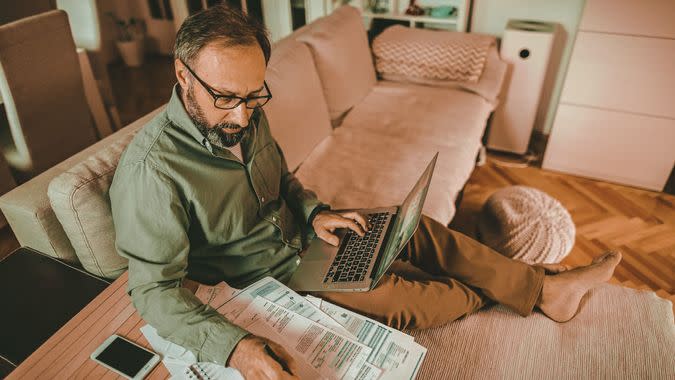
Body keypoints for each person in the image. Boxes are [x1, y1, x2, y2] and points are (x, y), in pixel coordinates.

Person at [109, 5, 622, 380]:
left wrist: (315, 214)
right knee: (413, 302)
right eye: (226, 98)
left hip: (306, 242)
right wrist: (235, 347)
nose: (242, 116)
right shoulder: (152, 172)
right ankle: (517, 289)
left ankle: (543, 292)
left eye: (254, 96)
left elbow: (283, 183)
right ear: (183, 75)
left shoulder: (248, 117)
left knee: (415, 228)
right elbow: (152, 290)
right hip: (277, 283)